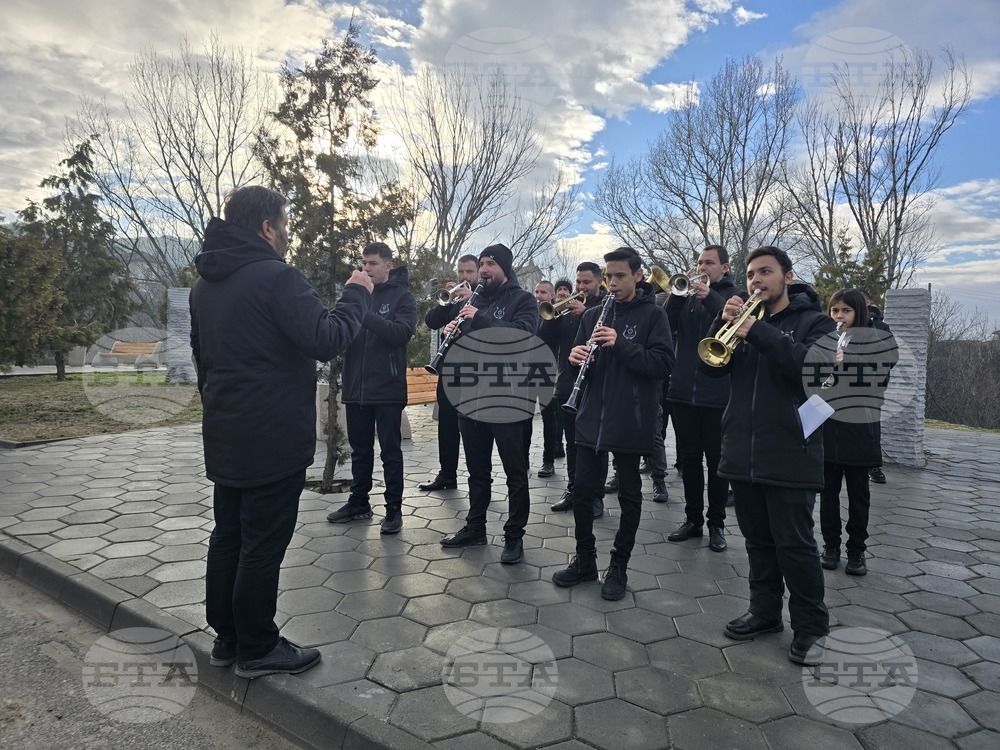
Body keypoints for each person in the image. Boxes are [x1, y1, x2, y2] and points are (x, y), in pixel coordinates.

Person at [190, 186, 372, 679]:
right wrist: (357, 293)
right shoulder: (276, 277)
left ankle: (227, 639)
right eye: (284, 224)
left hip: (226, 432)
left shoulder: (204, 284)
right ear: (268, 227)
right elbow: (326, 339)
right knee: (262, 544)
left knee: (228, 535)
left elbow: (201, 360)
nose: (288, 233)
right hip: (271, 437)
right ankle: (258, 646)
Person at [705, 245, 835, 666]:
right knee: (758, 542)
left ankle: (812, 628)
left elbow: (814, 371)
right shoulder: (745, 321)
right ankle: (764, 612)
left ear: (787, 276)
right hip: (743, 449)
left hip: (790, 452)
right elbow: (711, 368)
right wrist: (720, 323)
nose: (756, 281)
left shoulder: (814, 323)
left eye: (766, 272)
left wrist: (756, 333)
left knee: (795, 546)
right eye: (751, 274)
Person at [551, 248, 674, 600]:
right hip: (590, 416)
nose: (613, 282)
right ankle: (585, 560)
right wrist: (576, 360)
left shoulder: (654, 315)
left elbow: (663, 364)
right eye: (609, 276)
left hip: (631, 419)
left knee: (629, 494)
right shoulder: (592, 315)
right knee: (584, 491)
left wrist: (621, 344)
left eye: (620, 275)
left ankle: (618, 565)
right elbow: (581, 361)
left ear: (638, 275)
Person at [440, 244, 540, 564]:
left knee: (515, 473)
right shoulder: (474, 300)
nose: (483, 270)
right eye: (481, 263)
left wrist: (479, 318)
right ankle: (475, 527)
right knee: (476, 471)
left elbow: (522, 337)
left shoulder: (523, 300)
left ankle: (514, 536)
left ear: (505, 268)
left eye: (490, 264)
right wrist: (453, 334)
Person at [326, 243, 416, 534]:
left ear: (388, 266)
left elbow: (401, 334)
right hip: (356, 387)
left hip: (387, 389)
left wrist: (364, 314)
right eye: (364, 263)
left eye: (373, 263)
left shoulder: (403, 296)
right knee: (360, 451)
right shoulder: (356, 293)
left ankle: (393, 510)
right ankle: (358, 503)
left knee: (390, 451)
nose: (366, 268)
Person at [665, 246, 740, 552]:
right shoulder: (685, 296)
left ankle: (717, 524)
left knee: (718, 463)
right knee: (690, 462)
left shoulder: (735, 295)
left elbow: (733, 323)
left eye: (708, 263)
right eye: (698, 263)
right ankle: (693, 519)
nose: (701, 267)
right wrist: (676, 293)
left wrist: (709, 297)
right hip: (682, 391)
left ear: (724, 267)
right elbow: (664, 322)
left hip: (718, 394)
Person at [820, 289, 897, 576]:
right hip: (829, 424)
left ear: (859, 312)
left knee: (858, 494)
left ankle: (856, 551)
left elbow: (879, 380)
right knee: (827, 493)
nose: (839, 317)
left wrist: (846, 360)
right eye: (835, 311)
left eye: (845, 311)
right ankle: (830, 546)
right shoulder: (827, 339)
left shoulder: (878, 340)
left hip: (860, 425)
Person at [541, 262, 607, 517]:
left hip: (594, 386)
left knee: (596, 444)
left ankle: (596, 496)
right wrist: (555, 311)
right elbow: (544, 334)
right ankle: (574, 490)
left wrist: (585, 313)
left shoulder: (603, 309)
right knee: (572, 443)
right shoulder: (567, 310)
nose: (581, 287)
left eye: (586, 282)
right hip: (566, 384)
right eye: (578, 282)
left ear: (599, 282)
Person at [419, 254, 480, 491]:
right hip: (449, 371)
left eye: (469, 272)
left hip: (474, 373)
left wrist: (471, 302)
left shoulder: (483, 299)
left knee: (474, 430)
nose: (464, 277)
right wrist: (446, 302)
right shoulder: (453, 301)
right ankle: (447, 475)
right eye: (461, 272)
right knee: (447, 425)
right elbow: (431, 321)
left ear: (477, 273)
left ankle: (479, 477)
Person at [861, 289, 891, 485]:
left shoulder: (880, 326)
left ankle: (873, 465)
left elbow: (889, 358)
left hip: (871, 387)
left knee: (871, 426)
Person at [533, 280, 561, 478]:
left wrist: (551, 317)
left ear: (551, 295)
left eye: (543, 292)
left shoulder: (555, 314)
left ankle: (548, 461)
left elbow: (551, 336)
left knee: (548, 417)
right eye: (536, 291)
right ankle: (522, 458)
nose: (539, 295)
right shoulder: (529, 311)